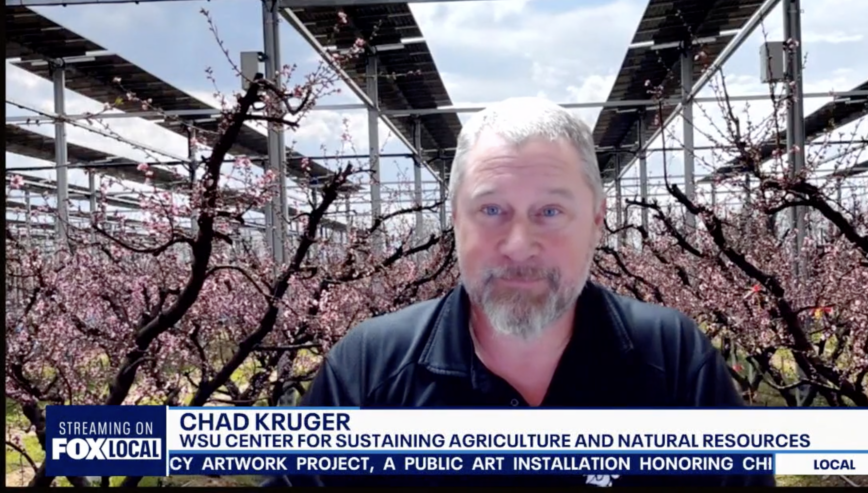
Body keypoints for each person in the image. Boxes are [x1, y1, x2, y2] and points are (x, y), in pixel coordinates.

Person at [264, 98, 773, 487]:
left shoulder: (673, 359)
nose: (519, 245)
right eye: (491, 210)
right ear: (455, 220)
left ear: (597, 221)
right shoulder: (370, 368)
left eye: (550, 211)